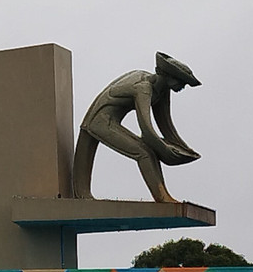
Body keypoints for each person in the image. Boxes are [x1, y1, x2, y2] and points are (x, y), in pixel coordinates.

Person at [73, 52, 201, 203]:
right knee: (144, 152)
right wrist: (164, 149)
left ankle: (164, 195)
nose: (183, 86)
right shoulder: (143, 88)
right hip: (98, 121)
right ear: (168, 76)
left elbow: (166, 125)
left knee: (149, 150)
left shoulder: (161, 90)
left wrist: (184, 148)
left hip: (109, 120)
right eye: (181, 82)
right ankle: (162, 197)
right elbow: (146, 129)